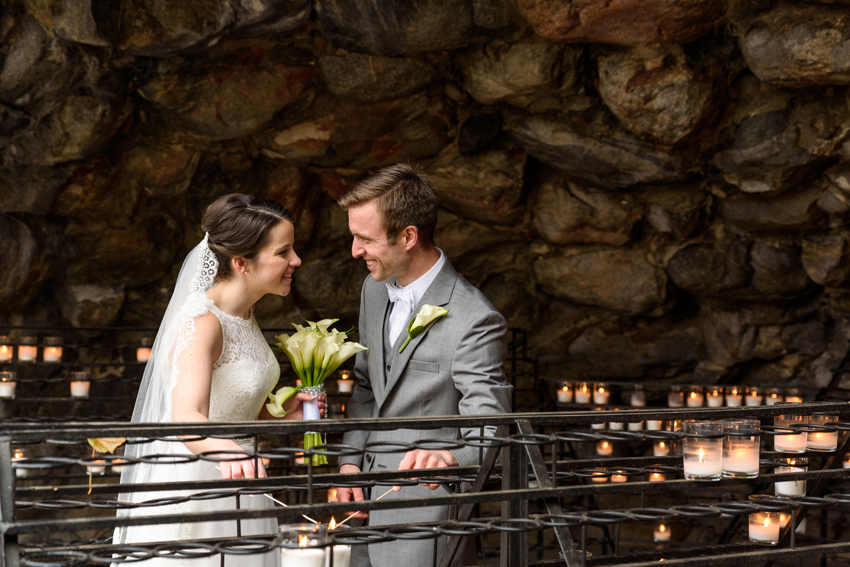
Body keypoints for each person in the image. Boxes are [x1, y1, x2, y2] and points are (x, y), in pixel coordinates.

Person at [112, 194, 317, 567]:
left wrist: (283, 417)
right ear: (242, 263)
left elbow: (230, 413)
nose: (296, 261)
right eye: (284, 251)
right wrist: (231, 452)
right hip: (199, 487)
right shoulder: (203, 322)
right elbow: (187, 418)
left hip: (239, 476)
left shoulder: (243, 314)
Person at [336, 164, 513, 567]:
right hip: (361, 505)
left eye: (365, 239)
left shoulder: (474, 316)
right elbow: (366, 387)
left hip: (426, 515)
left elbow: (492, 427)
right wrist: (349, 460)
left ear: (408, 236)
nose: (354, 251)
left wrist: (450, 458)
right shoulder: (373, 289)